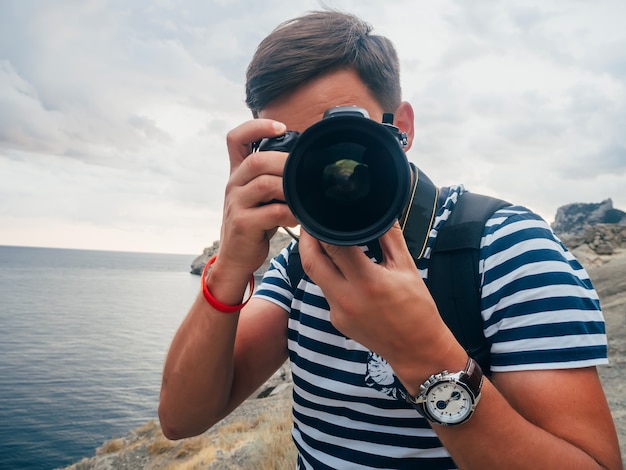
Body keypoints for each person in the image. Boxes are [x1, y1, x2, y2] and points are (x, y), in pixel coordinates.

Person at [158, 10, 622, 469]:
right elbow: (182, 418)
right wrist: (232, 267)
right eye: (295, 150)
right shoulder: (299, 264)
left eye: (341, 137)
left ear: (403, 127)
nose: (325, 169)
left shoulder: (507, 251)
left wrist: (420, 352)